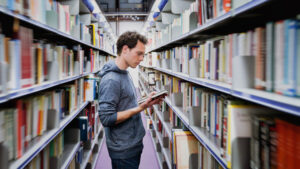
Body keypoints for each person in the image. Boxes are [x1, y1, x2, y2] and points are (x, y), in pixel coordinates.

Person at [98, 31, 165, 169]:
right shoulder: (111, 80)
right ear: (125, 49)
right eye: (139, 53)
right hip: (123, 149)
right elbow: (107, 118)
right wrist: (140, 108)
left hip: (132, 142)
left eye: (143, 55)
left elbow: (124, 105)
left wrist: (146, 102)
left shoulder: (124, 72)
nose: (141, 59)